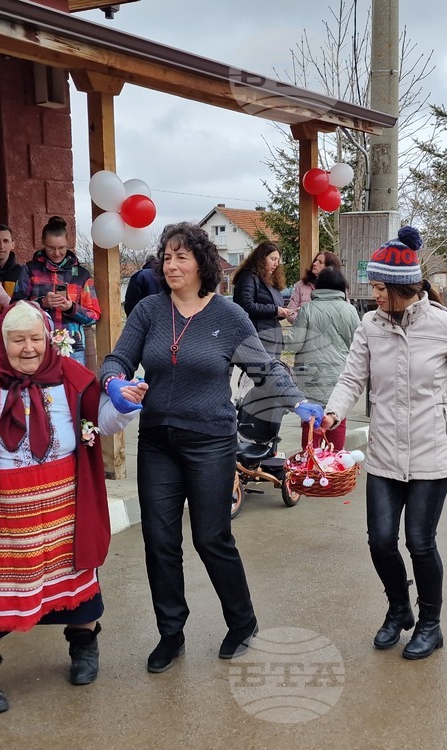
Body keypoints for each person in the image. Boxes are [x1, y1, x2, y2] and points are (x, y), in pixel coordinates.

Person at [101, 222, 323, 674]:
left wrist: (298, 400)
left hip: (210, 443)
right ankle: (171, 633)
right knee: (160, 541)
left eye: (181, 257)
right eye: (167, 257)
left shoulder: (229, 316)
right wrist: (115, 382)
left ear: (201, 263)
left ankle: (242, 624)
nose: (171, 264)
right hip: (159, 441)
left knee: (211, 538)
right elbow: (117, 358)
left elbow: (265, 368)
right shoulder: (148, 311)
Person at [0, 301, 147, 714]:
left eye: (35, 339)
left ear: (48, 338)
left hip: (65, 503)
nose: (27, 348)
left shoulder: (73, 377)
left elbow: (105, 420)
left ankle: (84, 649)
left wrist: (125, 405)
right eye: (17, 339)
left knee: (77, 575)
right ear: (3, 342)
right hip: (4, 508)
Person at [320, 226, 447, 660]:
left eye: (379, 287)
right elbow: (351, 377)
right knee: (380, 540)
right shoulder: (369, 326)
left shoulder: (444, 325)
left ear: (401, 287)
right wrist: (333, 411)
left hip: (431, 454)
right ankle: (399, 610)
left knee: (419, 541)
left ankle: (431, 624)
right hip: (383, 454)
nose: (373, 295)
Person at [285, 267, 359, 450]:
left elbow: (294, 344)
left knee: (310, 422)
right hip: (339, 377)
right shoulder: (350, 311)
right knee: (337, 420)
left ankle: (309, 470)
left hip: (310, 377)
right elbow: (357, 346)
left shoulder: (308, 310)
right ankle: (335, 468)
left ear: (318, 286)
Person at [13, 216, 101, 366]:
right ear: (43, 243)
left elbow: (94, 316)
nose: (57, 253)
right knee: (41, 389)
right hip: (37, 344)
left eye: (61, 248)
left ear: (68, 243)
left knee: (74, 388)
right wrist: (41, 303)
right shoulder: (30, 270)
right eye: (51, 248)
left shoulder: (81, 274)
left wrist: (71, 308)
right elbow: (14, 308)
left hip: (72, 347)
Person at [231, 241, 291, 358]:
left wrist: (283, 312)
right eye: (273, 259)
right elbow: (245, 305)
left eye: (278, 260)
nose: (276, 264)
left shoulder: (268, 280)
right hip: (259, 336)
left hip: (272, 336)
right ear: (261, 258)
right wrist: (275, 310)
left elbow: (271, 307)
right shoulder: (248, 277)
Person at [285, 251, 343, 322]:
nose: (314, 264)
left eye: (320, 262)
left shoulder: (339, 287)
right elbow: (290, 312)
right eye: (315, 260)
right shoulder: (301, 285)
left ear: (329, 268)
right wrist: (305, 322)